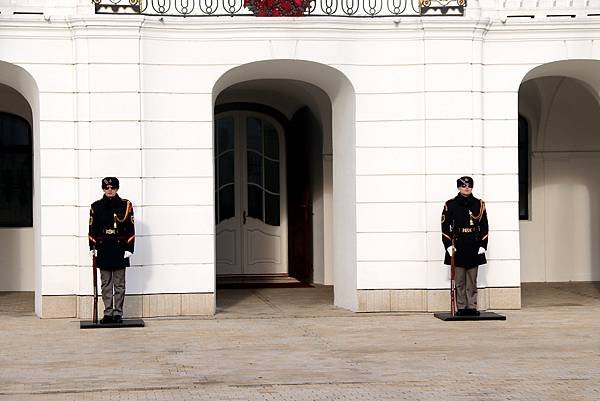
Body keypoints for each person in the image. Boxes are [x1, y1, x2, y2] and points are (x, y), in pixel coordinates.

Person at [88, 177, 135, 324]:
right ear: (103, 189)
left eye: (113, 188)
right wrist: (92, 247)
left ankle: (118, 313)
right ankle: (108, 312)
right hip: (103, 248)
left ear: (117, 189)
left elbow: (130, 228)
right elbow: (92, 229)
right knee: (106, 283)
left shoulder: (125, 205)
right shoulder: (96, 206)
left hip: (120, 248)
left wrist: (129, 248)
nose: (110, 190)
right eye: (107, 188)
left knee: (119, 284)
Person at [441, 176, 489, 317]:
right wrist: (448, 245)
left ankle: (472, 306)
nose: (466, 188)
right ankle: (461, 307)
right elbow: (445, 226)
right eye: (463, 185)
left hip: (474, 244)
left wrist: (483, 244)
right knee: (460, 280)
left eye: (469, 185)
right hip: (458, 244)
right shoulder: (450, 204)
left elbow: (484, 226)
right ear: (458, 187)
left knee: (472, 280)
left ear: (472, 187)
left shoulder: (479, 204)